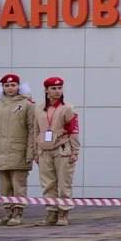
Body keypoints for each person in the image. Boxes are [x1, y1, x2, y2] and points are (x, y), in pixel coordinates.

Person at [30, 77, 80, 227]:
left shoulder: (67, 108)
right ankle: (51, 213)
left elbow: (74, 131)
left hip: (62, 149)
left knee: (64, 183)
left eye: (59, 88)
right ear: (46, 90)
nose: (57, 91)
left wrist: (75, 151)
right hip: (44, 150)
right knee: (48, 183)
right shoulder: (38, 108)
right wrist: (35, 151)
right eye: (53, 88)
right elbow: (35, 130)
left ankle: (63, 214)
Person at [0, 74, 35, 227]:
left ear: (19, 86)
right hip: (0, 152)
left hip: (19, 151)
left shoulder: (27, 104)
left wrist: (30, 152)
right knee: (4, 185)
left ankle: (18, 213)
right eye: (7, 85)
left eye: (13, 85)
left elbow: (32, 129)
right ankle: (7, 213)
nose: (10, 88)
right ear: (2, 87)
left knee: (18, 185)